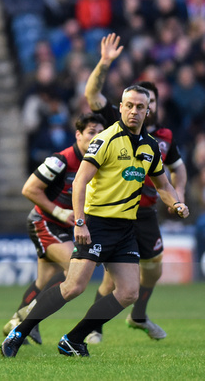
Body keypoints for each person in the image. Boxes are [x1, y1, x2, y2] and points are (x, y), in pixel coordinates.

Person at [2, 85, 189, 358]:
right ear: (121, 107)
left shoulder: (150, 146)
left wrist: (177, 202)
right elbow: (80, 181)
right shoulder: (106, 139)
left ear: (148, 110)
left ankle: (73, 340)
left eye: (140, 106)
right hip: (97, 224)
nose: (134, 111)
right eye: (129, 105)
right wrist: (80, 222)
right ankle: (19, 331)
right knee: (73, 286)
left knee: (128, 292)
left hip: (126, 228)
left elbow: (162, 185)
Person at [82, 33, 188, 343]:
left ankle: (138, 315)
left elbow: (177, 172)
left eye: (147, 103)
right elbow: (91, 95)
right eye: (136, 102)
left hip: (147, 212)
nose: (139, 108)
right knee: (112, 277)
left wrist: (177, 199)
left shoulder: (163, 138)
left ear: (152, 107)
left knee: (152, 271)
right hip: (115, 211)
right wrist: (104, 63)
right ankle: (94, 326)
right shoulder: (117, 122)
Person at [2, 113, 107, 344]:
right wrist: (59, 212)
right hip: (44, 223)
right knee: (74, 269)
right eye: (91, 132)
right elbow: (29, 189)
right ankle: (26, 318)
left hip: (66, 227)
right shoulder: (61, 160)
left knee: (45, 280)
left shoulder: (99, 162)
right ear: (78, 135)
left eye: (101, 133)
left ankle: (16, 321)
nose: (96, 138)